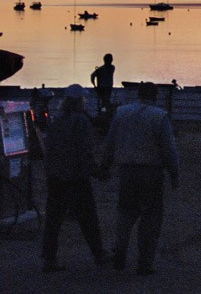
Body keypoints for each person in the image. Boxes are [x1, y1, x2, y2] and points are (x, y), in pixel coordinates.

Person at [101, 82, 180, 276]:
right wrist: (174, 172)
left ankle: (119, 249)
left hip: (126, 170)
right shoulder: (159, 116)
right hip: (151, 172)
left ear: (138, 94)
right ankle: (145, 262)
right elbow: (169, 149)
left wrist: (105, 165)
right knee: (151, 217)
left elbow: (110, 142)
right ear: (155, 96)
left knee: (125, 213)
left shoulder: (121, 113)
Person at [41, 84, 109, 273]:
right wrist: (96, 171)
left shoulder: (57, 120)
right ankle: (99, 254)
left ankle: (48, 257)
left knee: (54, 218)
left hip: (56, 176)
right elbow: (84, 152)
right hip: (75, 177)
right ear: (79, 101)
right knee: (88, 217)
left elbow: (50, 149)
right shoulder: (80, 121)